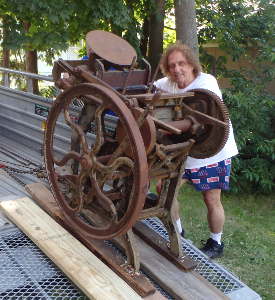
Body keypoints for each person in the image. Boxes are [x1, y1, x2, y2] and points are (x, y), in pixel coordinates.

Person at [153, 42, 238, 259]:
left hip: (211, 151)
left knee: (211, 199)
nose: (177, 69)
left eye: (182, 63)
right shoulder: (167, 83)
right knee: (166, 192)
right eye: (172, 65)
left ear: (192, 64)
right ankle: (178, 234)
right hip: (182, 151)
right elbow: (149, 89)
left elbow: (208, 117)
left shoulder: (206, 83)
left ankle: (216, 243)